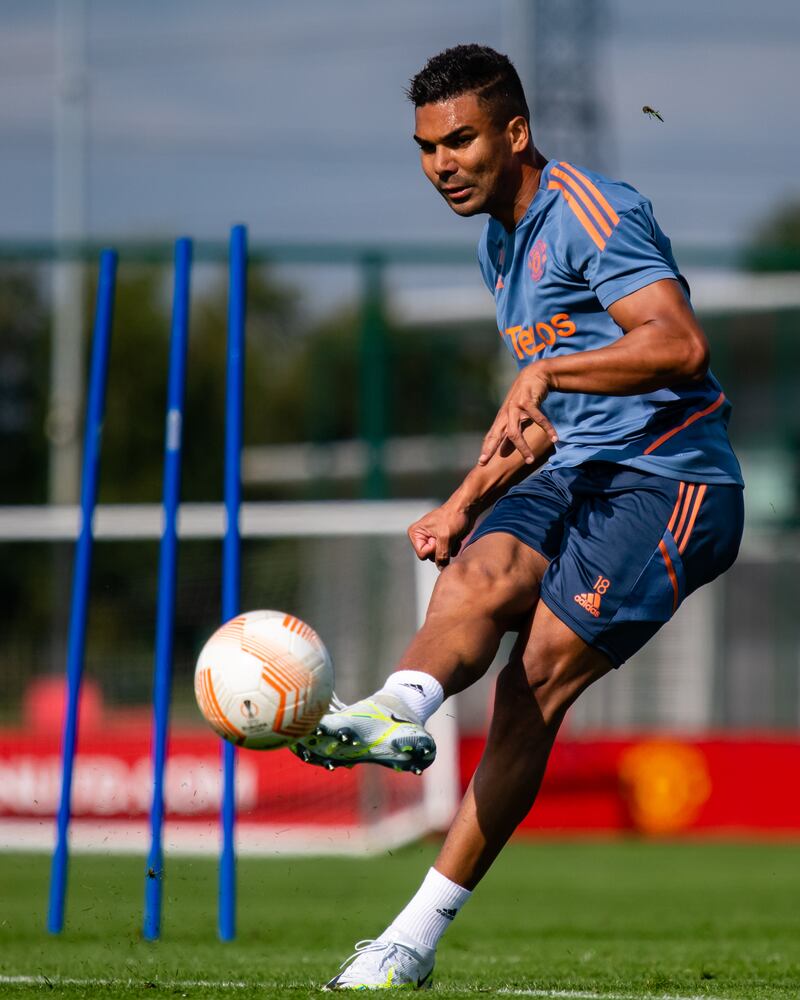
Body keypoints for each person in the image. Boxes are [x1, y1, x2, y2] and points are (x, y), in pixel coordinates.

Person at [292, 44, 744, 990]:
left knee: (529, 683)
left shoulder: (591, 211)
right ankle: (399, 712)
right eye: (425, 148)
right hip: (576, 463)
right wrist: (461, 502)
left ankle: (409, 941)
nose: (441, 164)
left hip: (670, 480)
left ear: (515, 131)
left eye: (459, 140)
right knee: (474, 574)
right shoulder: (499, 241)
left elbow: (678, 343)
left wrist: (549, 369)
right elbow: (542, 423)